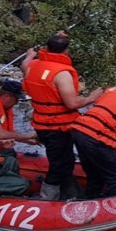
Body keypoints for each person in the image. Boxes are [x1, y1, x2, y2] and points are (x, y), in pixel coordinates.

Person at [22, 32, 103, 200]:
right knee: (60, 164)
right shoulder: (62, 73)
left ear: (48, 48)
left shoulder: (32, 65)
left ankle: (68, 191)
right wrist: (91, 97)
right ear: (66, 51)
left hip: (41, 123)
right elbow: (72, 104)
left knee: (61, 159)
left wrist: (30, 54)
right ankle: (47, 197)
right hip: (58, 126)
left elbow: (25, 63)